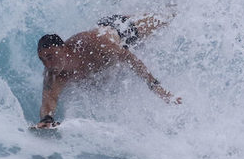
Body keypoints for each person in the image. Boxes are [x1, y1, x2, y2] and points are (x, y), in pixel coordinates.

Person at [34, 13, 181, 128]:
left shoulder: (90, 44)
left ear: (64, 48)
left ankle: (175, 8)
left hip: (122, 29)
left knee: (165, 20)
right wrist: (47, 120)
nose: (48, 64)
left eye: (50, 56)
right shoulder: (54, 74)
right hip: (110, 48)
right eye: (43, 60)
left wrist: (155, 86)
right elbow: (49, 99)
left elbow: (128, 57)